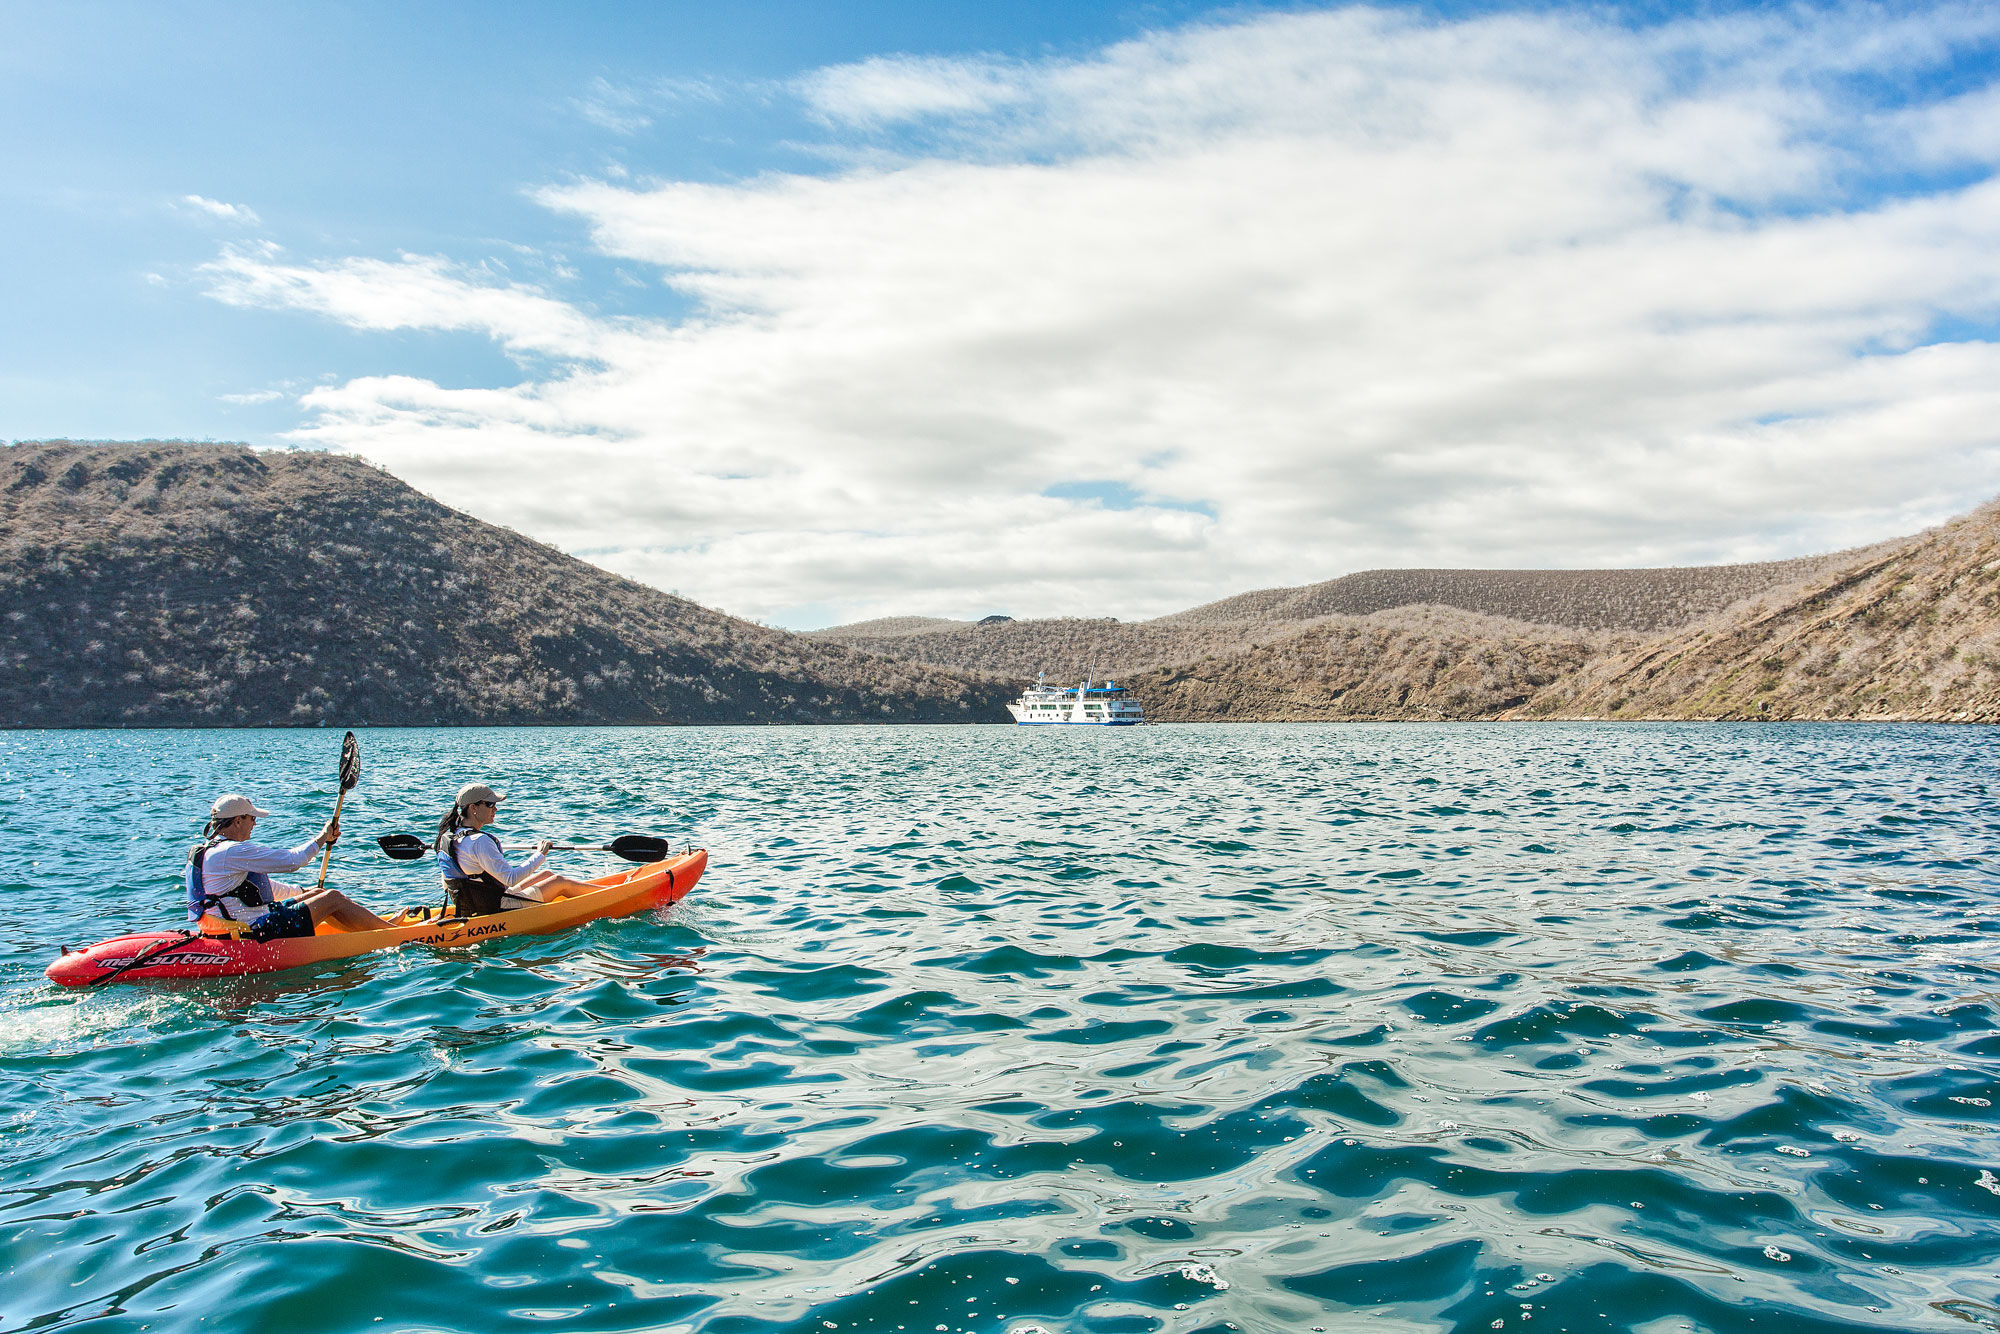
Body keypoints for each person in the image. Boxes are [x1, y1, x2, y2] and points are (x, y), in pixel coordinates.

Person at [188, 794, 393, 937]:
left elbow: (262, 886)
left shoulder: (209, 851)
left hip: (227, 926)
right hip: (252, 932)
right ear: (237, 821)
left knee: (321, 894)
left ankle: (373, 927)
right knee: (333, 898)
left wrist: (306, 892)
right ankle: (392, 934)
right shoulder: (232, 851)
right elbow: (294, 861)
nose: (255, 824)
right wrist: (323, 836)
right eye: (251, 818)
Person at [433, 783, 596, 917]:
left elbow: (447, 882)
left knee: (547, 875)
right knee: (559, 882)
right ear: (473, 808)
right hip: (496, 907)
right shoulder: (479, 841)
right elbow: (510, 879)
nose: (495, 809)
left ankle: (604, 892)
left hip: (477, 902)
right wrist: (540, 854)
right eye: (490, 804)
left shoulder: (448, 837)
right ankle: (615, 894)